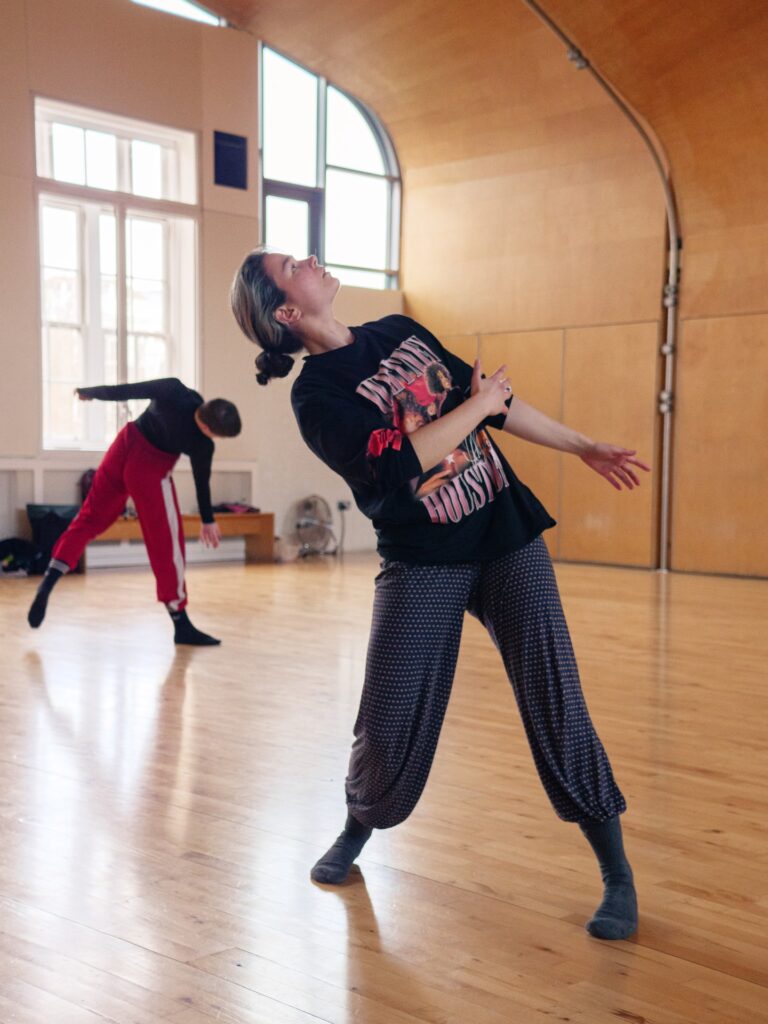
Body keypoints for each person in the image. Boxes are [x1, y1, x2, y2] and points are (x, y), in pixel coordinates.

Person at [230, 248, 650, 941]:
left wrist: (581, 445)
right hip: (424, 557)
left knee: (555, 694)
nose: (308, 258)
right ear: (286, 310)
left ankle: (617, 873)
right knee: (390, 714)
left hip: (505, 533)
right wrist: (478, 406)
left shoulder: (399, 332)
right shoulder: (317, 399)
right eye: (289, 264)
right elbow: (400, 463)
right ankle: (355, 829)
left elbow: (498, 405)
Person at [27, 378, 242, 646]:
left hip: (125, 445)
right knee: (166, 543)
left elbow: (125, 391)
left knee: (90, 517)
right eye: (218, 435)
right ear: (209, 428)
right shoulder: (202, 445)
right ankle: (181, 623)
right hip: (150, 470)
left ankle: (48, 581)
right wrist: (208, 521)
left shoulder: (173, 390)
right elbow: (202, 483)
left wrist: (88, 393)